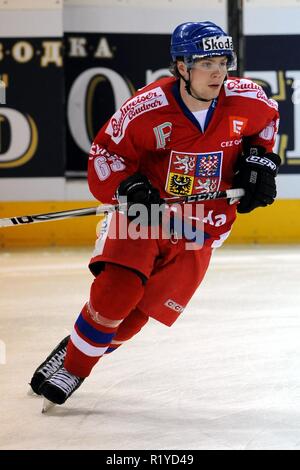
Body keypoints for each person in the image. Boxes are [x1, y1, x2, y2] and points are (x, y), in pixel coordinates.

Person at [29, 21, 281, 408]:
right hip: (146, 215)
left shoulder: (248, 99)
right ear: (181, 66)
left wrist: (260, 160)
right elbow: (104, 156)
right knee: (119, 291)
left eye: (223, 61)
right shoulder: (147, 108)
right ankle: (75, 368)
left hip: (203, 224)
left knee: (133, 318)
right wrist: (127, 185)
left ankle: (76, 346)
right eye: (206, 62)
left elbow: (268, 122)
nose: (218, 71)